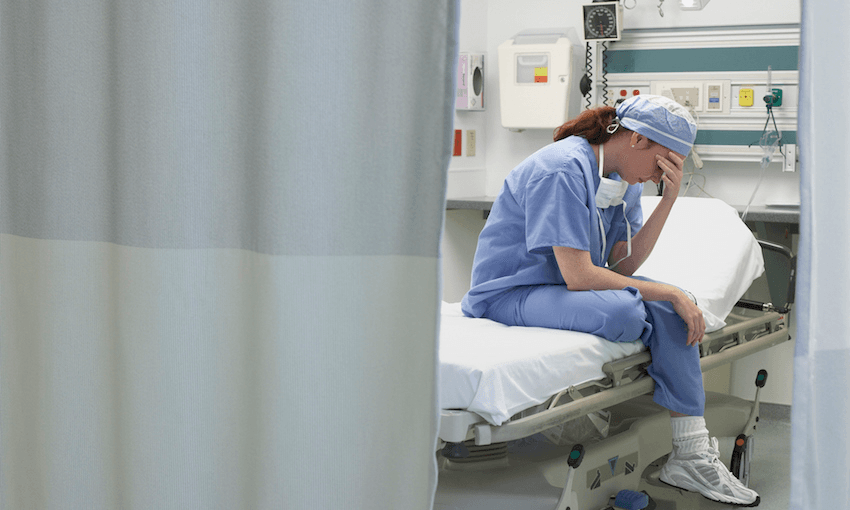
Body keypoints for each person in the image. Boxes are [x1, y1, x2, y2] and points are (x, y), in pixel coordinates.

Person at [461, 95, 760, 507]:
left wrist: (668, 202)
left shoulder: (621, 181)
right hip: (511, 292)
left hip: (563, 289)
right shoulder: (561, 169)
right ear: (637, 140)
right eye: (663, 164)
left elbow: (624, 265)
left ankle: (690, 454)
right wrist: (666, 290)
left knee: (673, 305)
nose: (661, 176)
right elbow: (581, 275)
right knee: (628, 308)